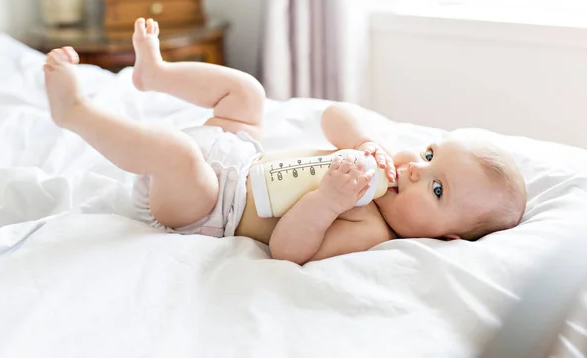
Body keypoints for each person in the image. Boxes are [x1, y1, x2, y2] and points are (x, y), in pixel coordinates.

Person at [42, 17, 527, 265]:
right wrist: (361, 139)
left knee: (177, 154)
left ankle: (76, 113)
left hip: (207, 206)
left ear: (448, 237)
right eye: (429, 155)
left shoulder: (369, 228)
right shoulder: (376, 158)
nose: (417, 170)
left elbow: (290, 250)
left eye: (437, 189)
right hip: (240, 153)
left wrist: (329, 201)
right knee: (247, 93)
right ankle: (156, 74)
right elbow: (333, 114)